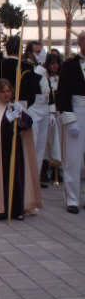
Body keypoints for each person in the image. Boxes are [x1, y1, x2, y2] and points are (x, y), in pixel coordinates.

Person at [0, 79, 42, 220]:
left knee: (16, 178)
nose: (6, 94)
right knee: (1, 179)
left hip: (15, 149)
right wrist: (7, 120)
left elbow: (27, 124)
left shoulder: (14, 106)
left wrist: (20, 115)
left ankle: (16, 209)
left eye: (8, 91)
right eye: (3, 91)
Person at [56, 31, 85, 214]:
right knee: (73, 159)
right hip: (77, 110)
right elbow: (62, 92)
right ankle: (72, 199)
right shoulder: (69, 65)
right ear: (80, 43)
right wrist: (69, 118)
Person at [23, 47, 51, 187]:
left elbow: (48, 94)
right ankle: (28, 178)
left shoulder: (42, 74)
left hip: (43, 110)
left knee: (40, 146)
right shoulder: (27, 74)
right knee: (31, 145)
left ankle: (35, 178)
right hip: (31, 109)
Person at [42, 53, 62, 186]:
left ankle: (58, 170)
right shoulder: (44, 78)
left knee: (59, 143)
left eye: (56, 63)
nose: (55, 66)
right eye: (52, 63)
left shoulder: (62, 78)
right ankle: (44, 169)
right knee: (47, 143)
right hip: (49, 114)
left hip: (60, 114)